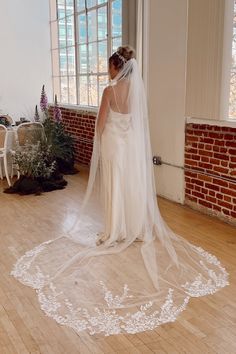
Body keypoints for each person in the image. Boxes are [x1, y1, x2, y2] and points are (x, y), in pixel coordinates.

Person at [11, 46, 229, 337]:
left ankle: (115, 231)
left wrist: (98, 143)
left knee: (114, 184)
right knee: (129, 185)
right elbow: (138, 123)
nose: (108, 71)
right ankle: (135, 227)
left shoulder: (109, 91)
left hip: (114, 144)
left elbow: (101, 124)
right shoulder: (136, 91)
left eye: (110, 66)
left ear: (116, 66)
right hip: (130, 146)